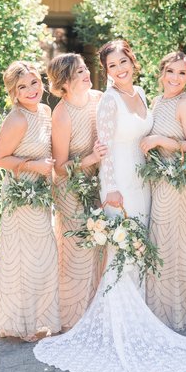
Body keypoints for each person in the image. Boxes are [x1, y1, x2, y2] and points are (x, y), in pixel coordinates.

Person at [34, 40, 186, 372]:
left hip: (142, 180)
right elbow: (104, 150)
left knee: (137, 250)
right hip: (118, 182)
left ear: (132, 62)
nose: (119, 69)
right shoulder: (109, 100)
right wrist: (112, 192)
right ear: (106, 71)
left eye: (123, 62)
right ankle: (117, 323)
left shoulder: (139, 91)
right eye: (112, 66)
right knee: (122, 252)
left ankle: (136, 317)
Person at [0, 61, 60, 342]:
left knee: (42, 256)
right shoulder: (17, 119)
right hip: (21, 194)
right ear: (14, 93)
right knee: (28, 258)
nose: (31, 89)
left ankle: (40, 317)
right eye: (22, 86)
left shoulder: (45, 111)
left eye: (34, 82)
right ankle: (23, 322)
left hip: (40, 194)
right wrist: (33, 166)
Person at [141, 51, 186, 330]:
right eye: (171, 71)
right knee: (158, 237)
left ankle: (172, 310)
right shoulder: (156, 101)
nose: (175, 78)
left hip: (176, 180)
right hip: (157, 178)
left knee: (169, 240)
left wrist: (161, 140)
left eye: (182, 73)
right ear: (162, 72)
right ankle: (155, 305)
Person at [47, 53, 107, 330]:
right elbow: (59, 168)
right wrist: (91, 160)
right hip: (71, 188)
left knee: (101, 245)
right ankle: (74, 317)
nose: (85, 75)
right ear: (64, 84)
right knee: (78, 250)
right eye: (77, 74)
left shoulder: (98, 98)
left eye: (84, 69)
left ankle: (99, 310)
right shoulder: (62, 114)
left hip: (97, 181)